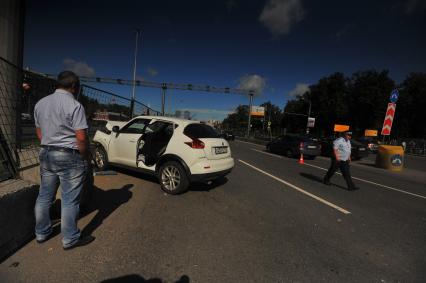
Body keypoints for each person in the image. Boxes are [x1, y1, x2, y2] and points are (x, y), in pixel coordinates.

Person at [34, 71, 95, 250]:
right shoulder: (75, 105)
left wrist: (49, 144)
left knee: (45, 196)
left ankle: (42, 232)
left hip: (46, 153)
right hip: (70, 155)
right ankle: (70, 238)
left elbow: (39, 133)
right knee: (69, 200)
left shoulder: (40, 104)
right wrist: (85, 156)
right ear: (74, 87)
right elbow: (82, 138)